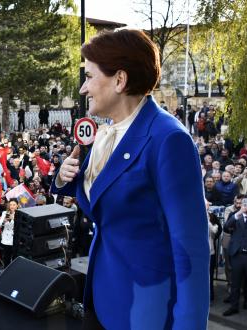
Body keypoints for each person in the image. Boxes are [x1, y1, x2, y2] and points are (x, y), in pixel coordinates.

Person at [52, 30, 209, 329]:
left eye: (88, 76)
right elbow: (107, 206)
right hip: (103, 296)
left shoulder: (169, 139)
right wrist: (64, 178)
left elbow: (191, 251)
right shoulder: (107, 132)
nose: (83, 88)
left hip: (144, 311)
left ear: (119, 80)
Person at [222, 197, 247, 324]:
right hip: (237, 256)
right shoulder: (235, 216)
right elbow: (226, 227)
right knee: (235, 283)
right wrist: (239, 213)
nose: (246, 205)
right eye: (244, 203)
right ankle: (234, 307)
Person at [0, 199, 17, 267]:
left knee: (14, 256)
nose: (12, 206)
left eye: (14, 205)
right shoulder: (5, 213)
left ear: (17, 206)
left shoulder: (19, 214)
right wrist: (3, 221)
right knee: (6, 256)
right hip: (6, 238)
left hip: (14, 238)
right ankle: (6, 268)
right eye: (11, 204)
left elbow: (20, 226)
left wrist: (14, 218)